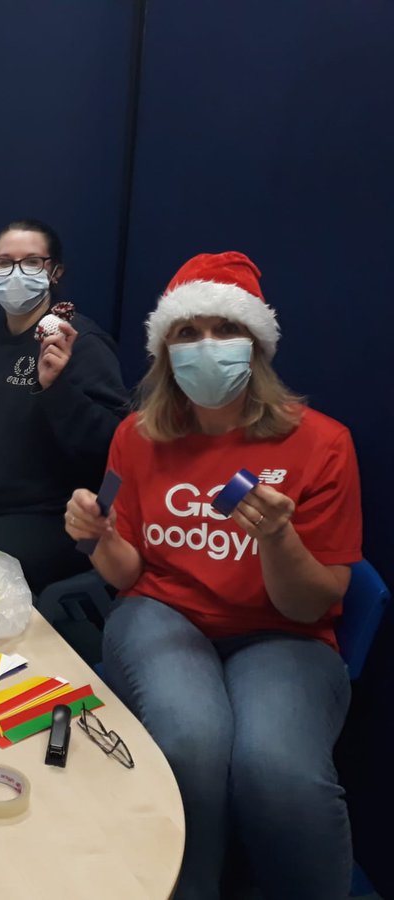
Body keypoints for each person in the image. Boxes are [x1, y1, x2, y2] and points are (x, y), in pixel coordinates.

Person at [65, 252, 359, 899]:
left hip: (283, 633)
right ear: (164, 348)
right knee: (191, 743)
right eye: (187, 333)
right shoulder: (137, 437)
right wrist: (97, 538)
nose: (206, 347)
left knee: (276, 769)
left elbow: (312, 604)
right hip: (163, 614)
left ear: (256, 344)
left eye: (224, 330)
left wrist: (278, 538)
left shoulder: (323, 444)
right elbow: (126, 573)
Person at [0, 218, 128, 593]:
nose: (16, 273)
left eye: (31, 262)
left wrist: (55, 387)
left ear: (54, 272)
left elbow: (111, 447)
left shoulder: (80, 342)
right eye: (4, 262)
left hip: (51, 513)